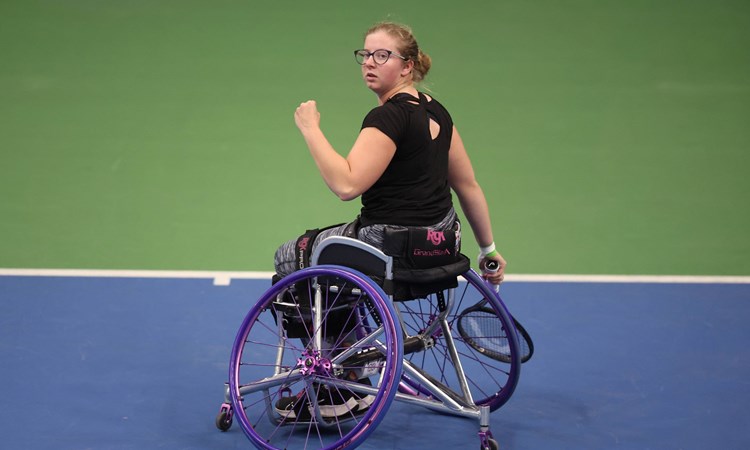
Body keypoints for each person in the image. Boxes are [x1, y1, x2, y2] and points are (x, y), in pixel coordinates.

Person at [274, 21, 507, 286]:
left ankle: (340, 328)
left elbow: (346, 186)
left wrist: (310, 128)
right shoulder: (439, 113)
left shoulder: (388, 117)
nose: (370, 63)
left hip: (391, 245)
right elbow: (468, 185)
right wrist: (488, 250)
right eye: (366, 54)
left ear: (407, 66)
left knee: (288, 257)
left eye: (382, 55)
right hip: (441, 246)